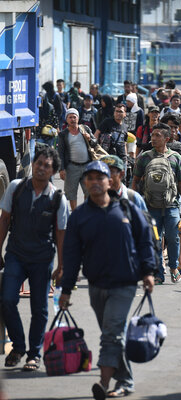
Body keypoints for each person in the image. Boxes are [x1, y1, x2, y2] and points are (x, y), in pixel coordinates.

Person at [59, 160, 156, 400]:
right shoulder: (79, 216)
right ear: (84, 183)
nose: (94, 182)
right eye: (89, 178)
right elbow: (71, 255)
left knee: (111, 334)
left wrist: (149, 271)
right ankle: (126, 380)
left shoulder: (125, 208)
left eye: (99, 177)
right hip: (96, 285)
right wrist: (66, 289)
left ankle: (102, 383)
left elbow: (145, 240)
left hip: (125, 284)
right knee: (113, 334)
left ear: (109, 181)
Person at [0, 147, 68, 371]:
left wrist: (61, 265)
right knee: (8, 300)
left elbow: (61, 232)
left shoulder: (58, 198)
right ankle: (18, 347)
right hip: (16, 255)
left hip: (42, 258)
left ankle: (33, 355)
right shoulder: (15, 188)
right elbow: (4, 220)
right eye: (38, 163)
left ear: (53, 171)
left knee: (40, 308)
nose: (41, 167)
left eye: (46, 165)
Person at [132, 123, 181, 285]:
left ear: (167, 138)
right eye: (153, 135)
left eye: (158, 135)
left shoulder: (176, 157)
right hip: (150, 207)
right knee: (155, 241)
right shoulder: (144, 157)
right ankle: (159, 273)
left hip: (171, 205)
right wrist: (134, 203)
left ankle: (173, 267)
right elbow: (135, 181)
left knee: (173, 238)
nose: (153, 138)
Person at [57, 108, 94, 211]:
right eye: (70, 117)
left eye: (74, 117)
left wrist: (90, 138)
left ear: (78, 118)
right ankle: (75, 213)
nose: (73, 119)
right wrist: (61, 169)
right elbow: (60, 152)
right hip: (71, 167)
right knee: (71, 193)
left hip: (87, 166)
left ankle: (85, 212)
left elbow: (95, 143)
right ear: (67, 119)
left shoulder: (85, 129)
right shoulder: (63, 134)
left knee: (89, 191)